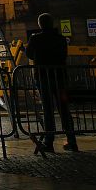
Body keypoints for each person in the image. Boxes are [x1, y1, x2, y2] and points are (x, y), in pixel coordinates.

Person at [26, 13, 78, 152]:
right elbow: (64, 55)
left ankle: (49, 142)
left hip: (43, 77)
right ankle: (72, 140)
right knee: (64, 109)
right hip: (60, 77)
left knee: (48, 109)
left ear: (40, 24)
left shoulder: (35, 38)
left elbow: (28, 54)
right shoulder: (61, 39)